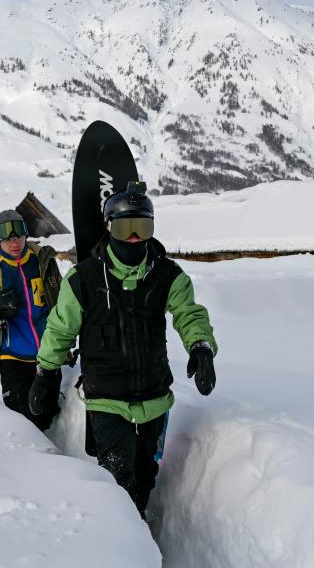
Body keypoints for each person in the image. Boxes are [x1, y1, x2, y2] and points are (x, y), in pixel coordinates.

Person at [29, 181, 217, 517]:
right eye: (124, 228)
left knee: (146, 476)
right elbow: (60, 329)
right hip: (107, 399)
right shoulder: (83, 279)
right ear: (108, 227)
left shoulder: (167, 275)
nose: (133, 237)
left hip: (155, 397)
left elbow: (189, 313)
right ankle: (123, 537)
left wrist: (200, 347)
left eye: (141, 228)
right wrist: (45, 373)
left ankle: (139, 528)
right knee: (119, 479)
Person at [0, 209, 63, 430]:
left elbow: (63, 299)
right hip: (12, 357)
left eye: (19, 237)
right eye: (8, 239)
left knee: (46, 416)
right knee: (21, 421)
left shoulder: (43, 261)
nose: (14, 243)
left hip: (47, 355)